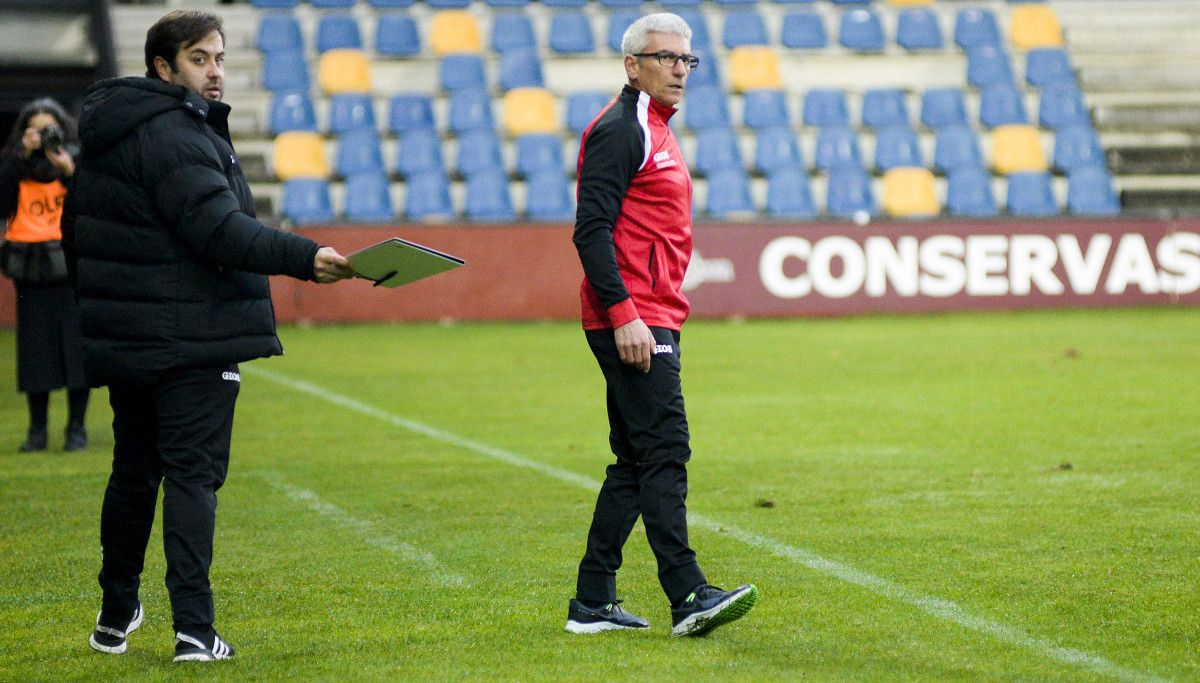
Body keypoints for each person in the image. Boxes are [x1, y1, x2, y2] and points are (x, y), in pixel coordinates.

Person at [63, 10, 355, 662]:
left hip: (135, 336)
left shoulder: (111, 133)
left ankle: (115, 613)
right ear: (164, 68)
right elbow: (218, 230)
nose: (216, 70)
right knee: (192, 478)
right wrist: (306, 257)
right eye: (200, 58)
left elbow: (77, 234)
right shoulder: (177, 134)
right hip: (193, 336)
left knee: (134, 473)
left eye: (219, 56)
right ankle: (195, 628)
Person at [566, 13, 758, 637]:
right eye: (666, 57)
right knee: (666, 449)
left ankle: (592, 601)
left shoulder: (655, 128)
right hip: (634, 316)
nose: (679, 68)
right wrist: (625, 314)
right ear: (632, 65)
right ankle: (688, 592)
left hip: (650, 312)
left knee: (634, 459)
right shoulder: (621, 131)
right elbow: (589, 231)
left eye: (687, 60)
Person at [0, 98, 91, 453]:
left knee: (76, 352)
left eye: (48, 128)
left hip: (71, 270)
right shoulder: (15, 165)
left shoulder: (76, 161)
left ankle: (76, 428)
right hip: (31, 272)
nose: (41, 136)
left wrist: (70, 171)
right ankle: (37, 430)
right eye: (34, 129)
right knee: (35, 355)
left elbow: (96, 204)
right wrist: (20, 156)